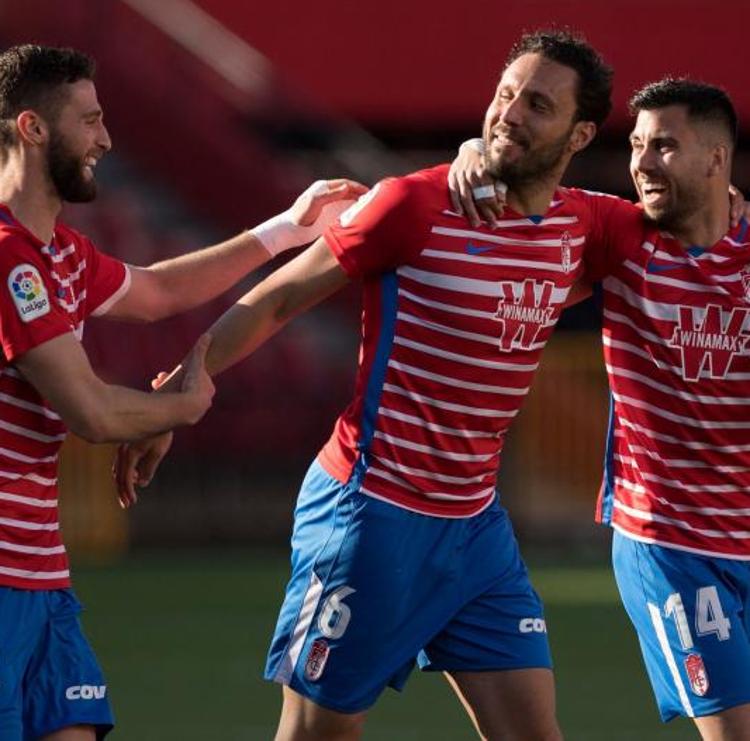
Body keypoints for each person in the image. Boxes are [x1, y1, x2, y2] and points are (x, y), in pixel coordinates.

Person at [118, 30, 618, 740]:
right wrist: (175, 391)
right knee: (317, 733)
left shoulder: (588, 224)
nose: (509, 113)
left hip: (476, 530)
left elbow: (685, 223)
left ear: (581, 133)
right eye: (506, 94)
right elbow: (278, 298)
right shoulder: (409, 205)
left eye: (537, 104)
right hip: (370, 513)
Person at [0, 43, 364, 741]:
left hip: (40, 579)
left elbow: (162, 288)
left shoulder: (60, 254)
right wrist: (184, 405)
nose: (106, 137)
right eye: (89, 119)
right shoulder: (9, 258)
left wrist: (288, 228)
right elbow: (93, 411)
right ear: (32, 128)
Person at [450, 80, 750, 740]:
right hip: (673, 542)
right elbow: (520, 207)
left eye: (665, 145)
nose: (642, 161)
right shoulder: (618, 235)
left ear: (716, 159)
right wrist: (476, 150)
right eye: (637, 144)